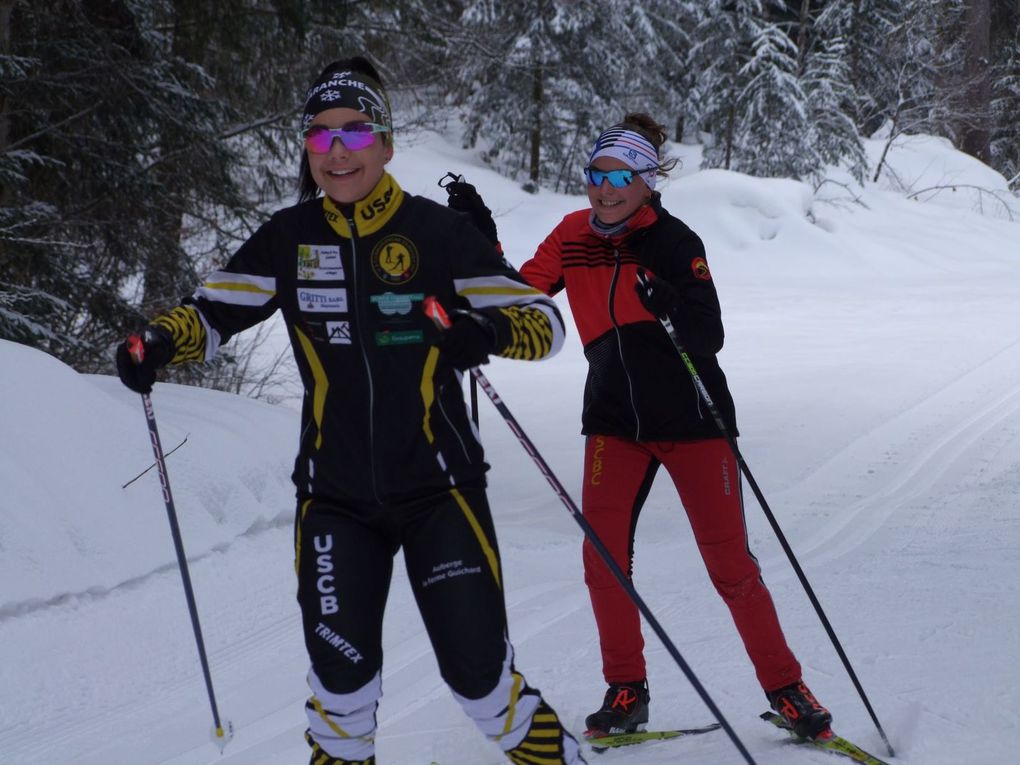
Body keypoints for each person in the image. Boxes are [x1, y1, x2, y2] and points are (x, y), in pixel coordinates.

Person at [116, 56, 587, 765]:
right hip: (336, 499)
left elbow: (544, 324)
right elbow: (209, 313)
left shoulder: (435, 232)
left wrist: (483, 332)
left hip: (440, 492)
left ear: (387, 143)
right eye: (322, 135)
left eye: (357, 133)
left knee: (481, 682)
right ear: (308, 150)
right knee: (341, 692)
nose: (339, 151)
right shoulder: (289, 236)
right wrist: (155, 343)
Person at [447, 113, 832, 742]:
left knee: (730, 565)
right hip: (615, 420)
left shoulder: (675, 242)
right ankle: (627, 690)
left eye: (620, 177)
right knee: (602, 557)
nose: (604, 188)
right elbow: (518, 296)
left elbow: (710, 335)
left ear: (647, 182)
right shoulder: (573, 234)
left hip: (693, 420)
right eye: (596, 174)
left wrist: (669, 304)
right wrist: (479, 244)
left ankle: (788, 690)